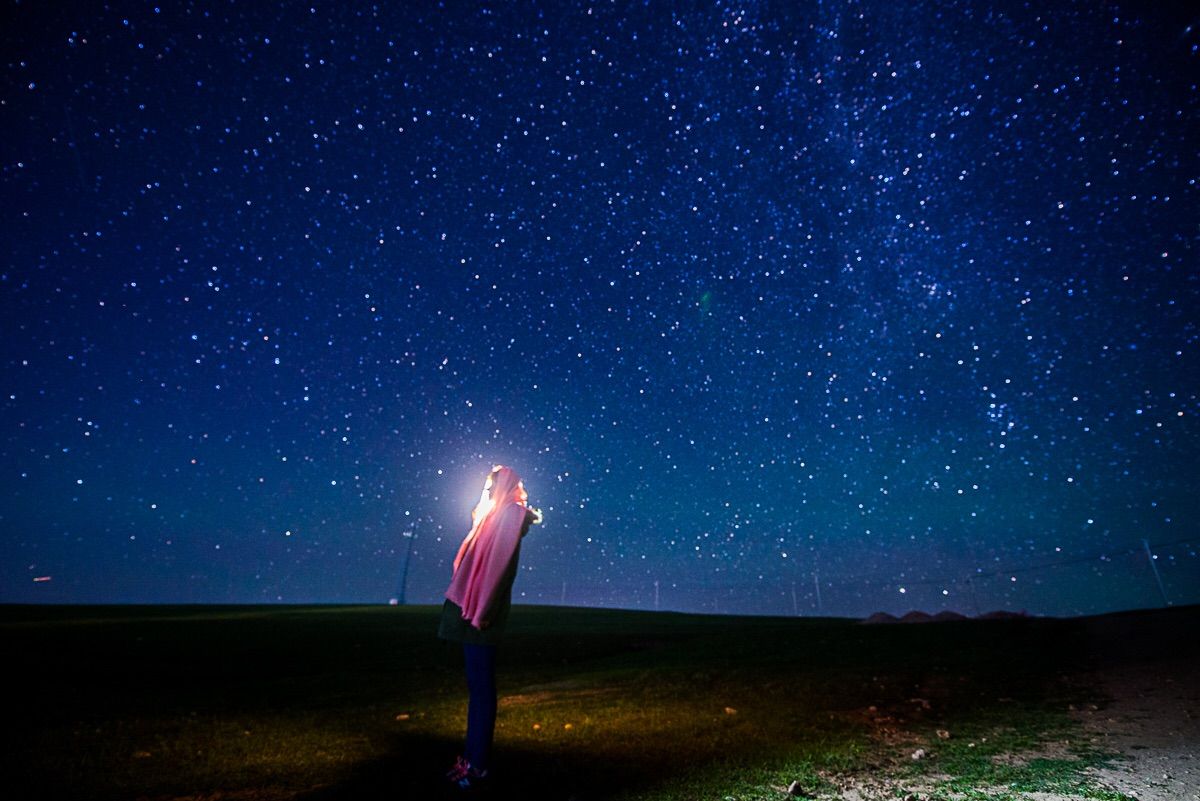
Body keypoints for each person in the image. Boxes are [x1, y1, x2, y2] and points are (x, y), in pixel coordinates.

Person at [438, 464, 542, 792]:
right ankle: (471, 759)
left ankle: (477, 765)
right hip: (473, 609)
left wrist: (481, 611)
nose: (487, 488)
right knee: (477, 689)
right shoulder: (496, 514)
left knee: (482, 691)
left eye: (492, 483)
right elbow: (471, 558)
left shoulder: (511, 514)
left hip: (481, 613)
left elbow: (497, 567)